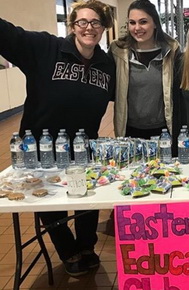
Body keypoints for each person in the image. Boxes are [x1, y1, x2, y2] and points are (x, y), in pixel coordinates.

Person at [0, 0, 115, 277]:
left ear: (103, 28)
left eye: (95, 22)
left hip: (82, 146)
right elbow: (7, 34)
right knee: (49, 204)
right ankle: (67, 250)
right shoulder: (45, 48)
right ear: (72, 25)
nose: (89, 28)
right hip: (39, 148)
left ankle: (87, 246)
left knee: (87, 199)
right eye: (82, 22)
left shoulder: (107, 64)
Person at [109, 0, 181, 139]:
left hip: (164, 129)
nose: (137, 28)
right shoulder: (118, 51)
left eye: (143, 22)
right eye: (132, 22)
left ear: (155, 23)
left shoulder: (171, 50)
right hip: (129, 129)